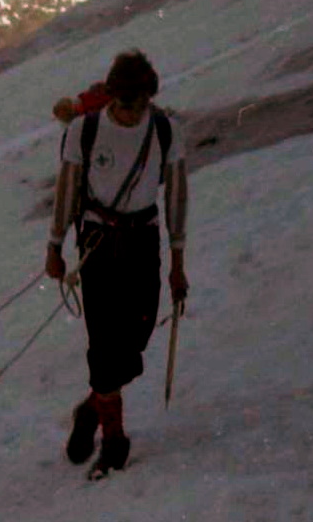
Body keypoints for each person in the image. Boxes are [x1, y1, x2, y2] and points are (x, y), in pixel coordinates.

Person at [45, 49, 189, 479]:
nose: (130, 112)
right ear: (111, 95)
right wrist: (54, 246)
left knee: (135, 340)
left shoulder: (166, 131)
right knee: (106, 344)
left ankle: (92, 406)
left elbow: (177, 197)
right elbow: (67, 190)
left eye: (138, 103)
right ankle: (114, 441)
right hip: (98, 242)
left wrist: (177, 262)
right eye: (124, 103)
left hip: (143, 240)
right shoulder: (84, 131)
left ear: (149, 97)